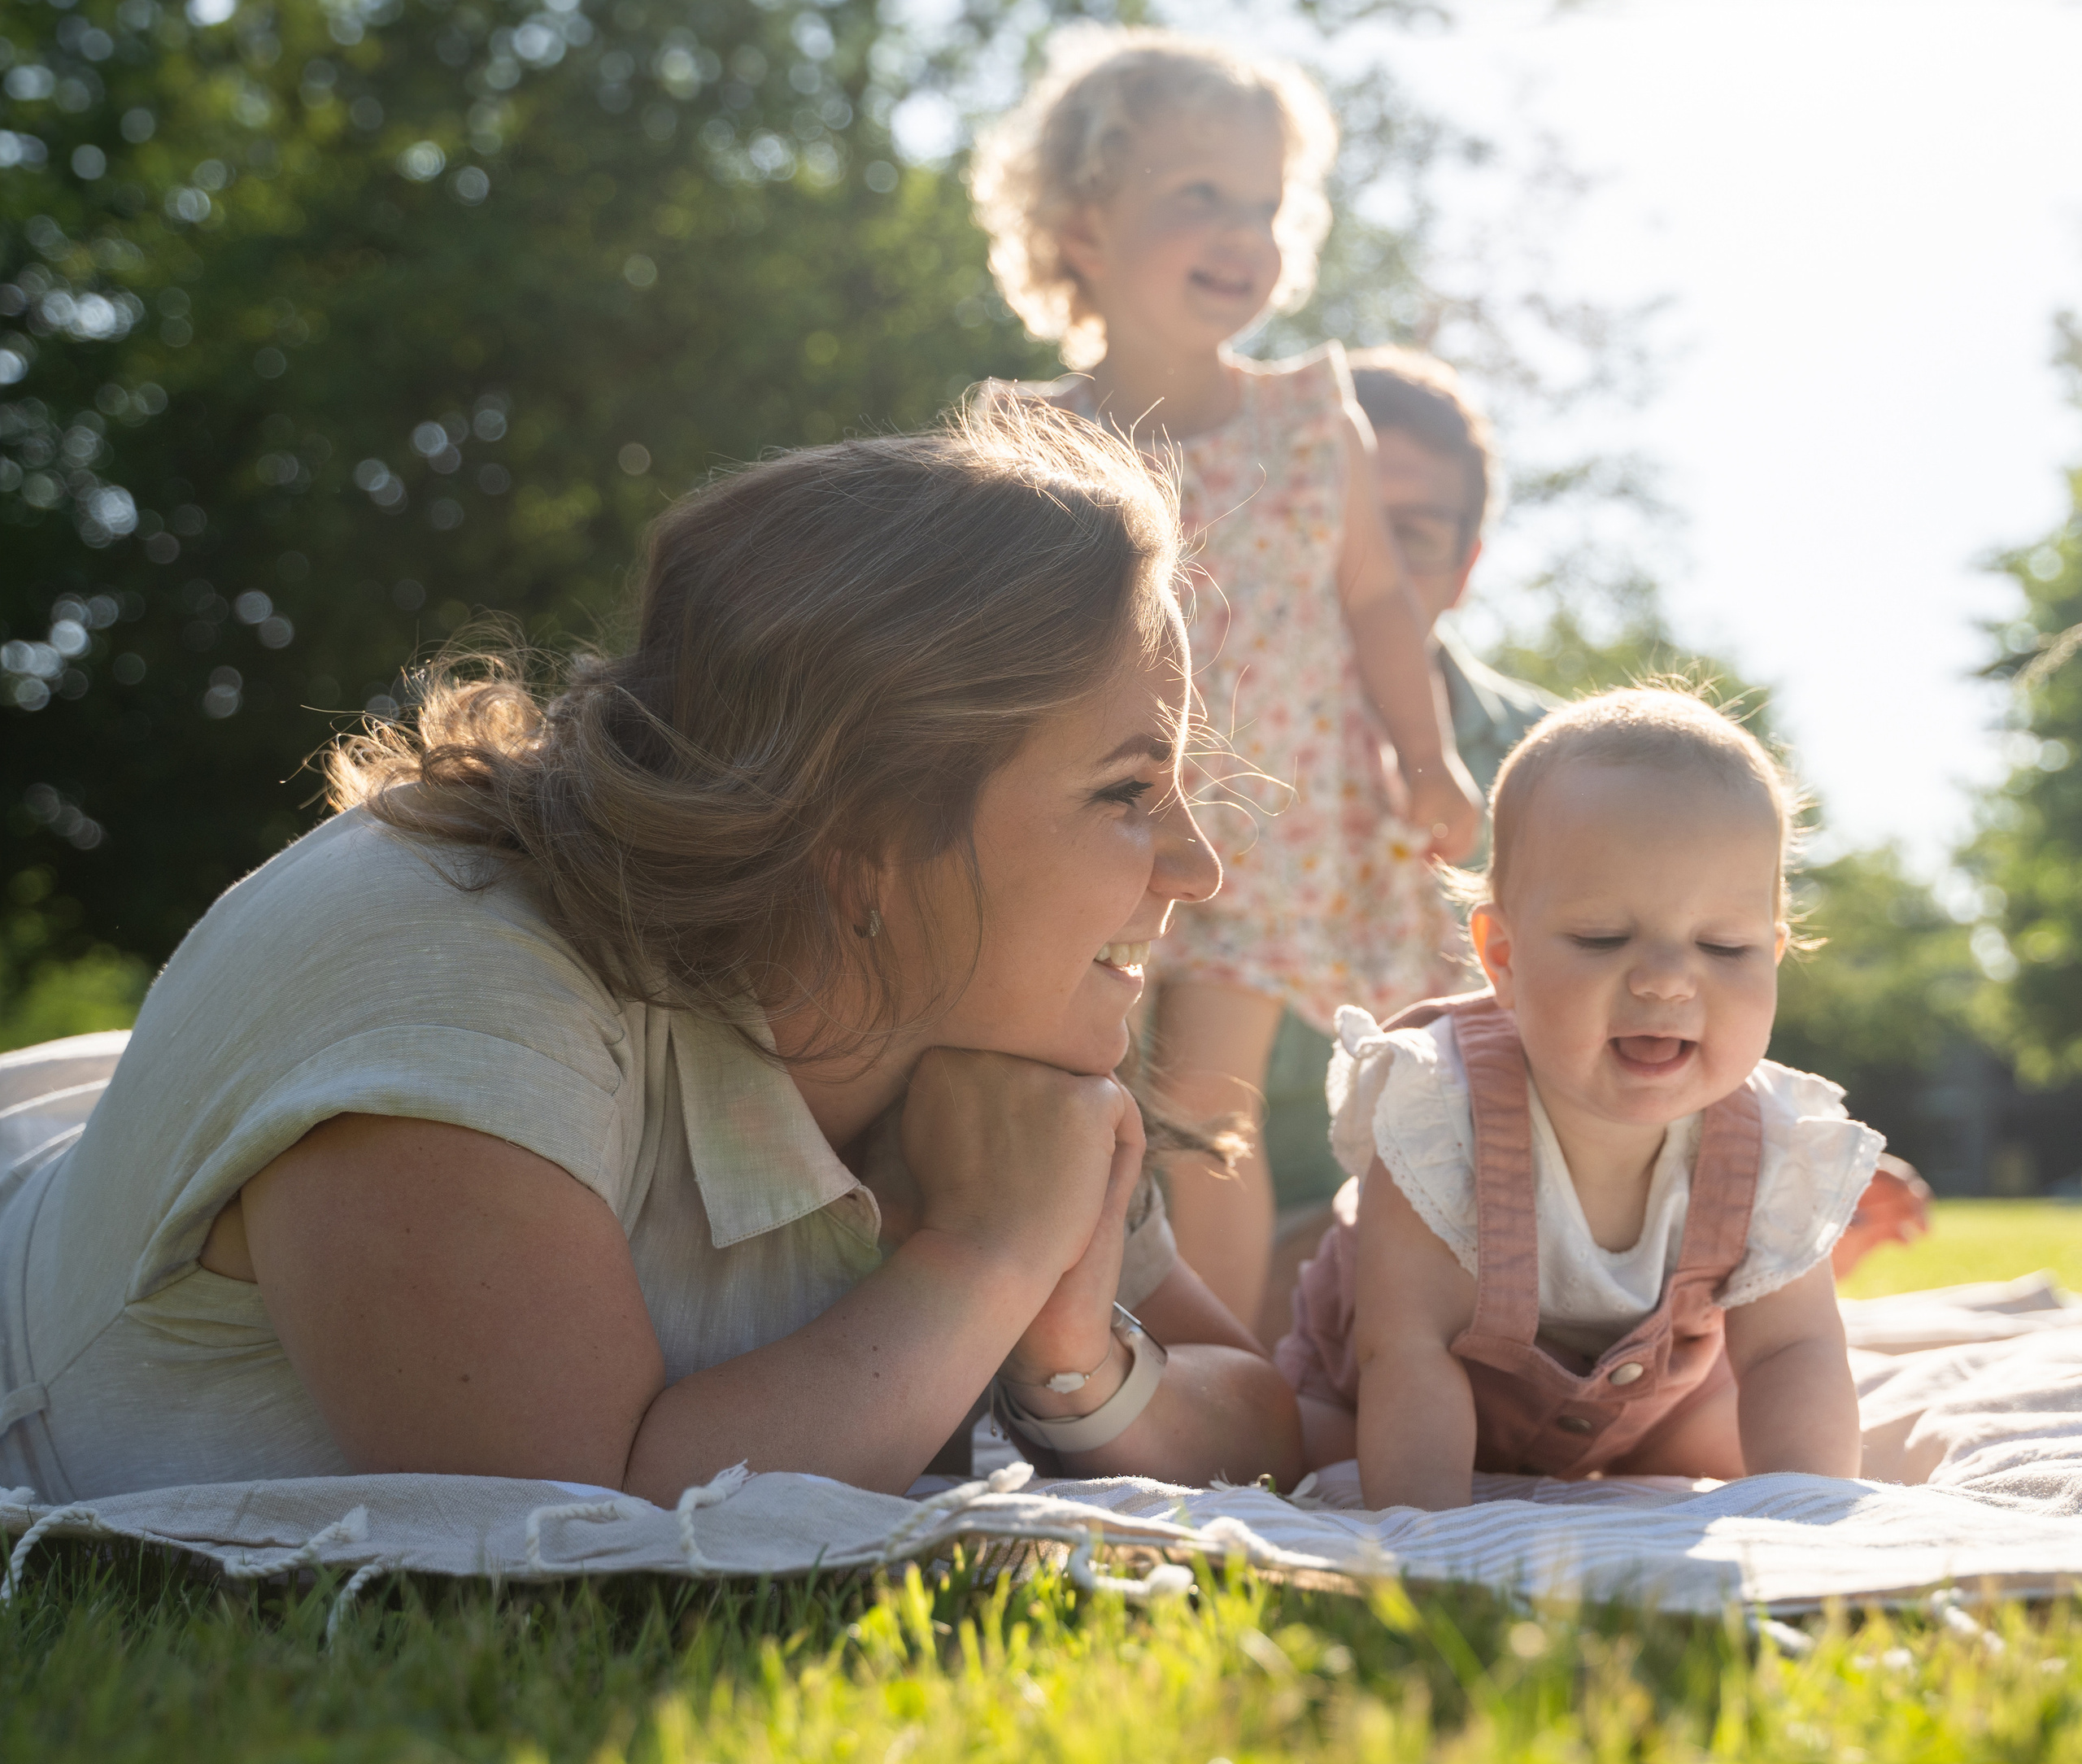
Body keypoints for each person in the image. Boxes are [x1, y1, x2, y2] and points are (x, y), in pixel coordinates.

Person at [0, 401, 1304, 1505]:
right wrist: (985, 1259)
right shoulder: (446, 968)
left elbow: (1261, 1415)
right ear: (859, 835)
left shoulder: (972, 1018)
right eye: (1129, 792)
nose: (1201, 868)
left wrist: (1077, 1359)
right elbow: (579, 1537)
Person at [970, 28, 1483, 1331]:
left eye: (1262, 204)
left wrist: (1429, 762)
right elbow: (984, 648)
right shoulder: (1034, 441)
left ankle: (1223, 1359)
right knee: (1059, 1079)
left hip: (1272, 822)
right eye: (1196, 193)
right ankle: (1043, 1338)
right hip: (1092, 817)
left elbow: (1375, 599)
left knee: (1210, 1102)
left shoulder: (1312, 422)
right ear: (1081, 227)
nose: (1241, 231)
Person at [1279, 688, 1872, 1507]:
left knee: (1745, 1441)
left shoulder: (1770, 1140)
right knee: (1296, 1460)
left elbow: (1792, 1349)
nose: (1666, 980)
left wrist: (1811, 1511)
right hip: (1372, 1401)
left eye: (1722, 945)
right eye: (1602, 938)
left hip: (1633, 1422)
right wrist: (1433, 1540)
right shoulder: (1437, 1111)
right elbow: (1406, 1349)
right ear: (1503, 955)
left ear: (1772, 955)